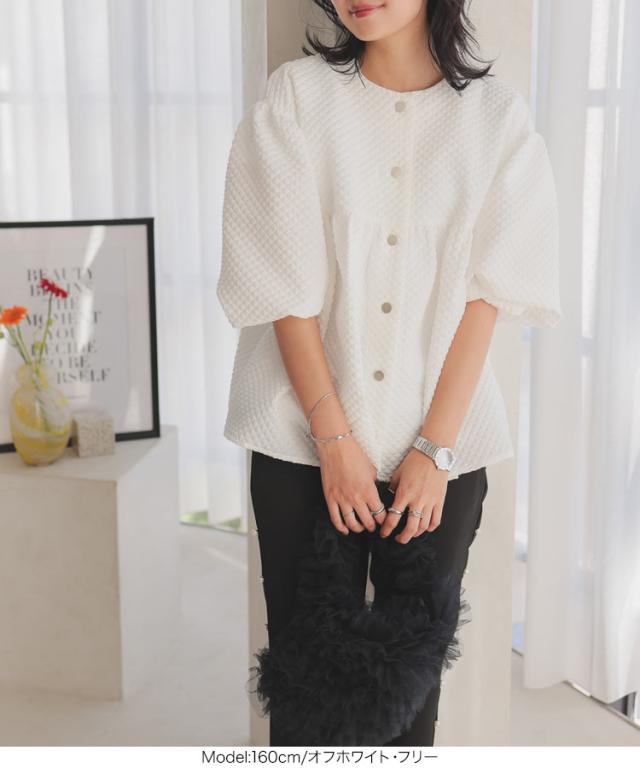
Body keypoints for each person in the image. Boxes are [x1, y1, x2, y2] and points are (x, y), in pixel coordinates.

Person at [216, 0, 562, 748]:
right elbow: (284, 289)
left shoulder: (495, 121)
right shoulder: (299, 99)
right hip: (299, 442)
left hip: (439, 455)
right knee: (306, 704)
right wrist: (334, 441)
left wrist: (435, 451)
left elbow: (487, 298)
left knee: (409, 706)